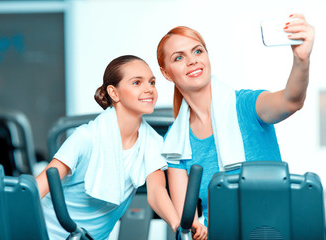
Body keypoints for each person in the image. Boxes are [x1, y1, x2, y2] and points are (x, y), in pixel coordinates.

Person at [156, 13, 314, 236]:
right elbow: (187, 218)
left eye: (197, 51)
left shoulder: (246, 105)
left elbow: (292, 101)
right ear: (166, 73)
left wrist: (301, 60)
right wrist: (196, 229)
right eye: (178, 58)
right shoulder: (176, 140)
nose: (192, 60)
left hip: (275, 230)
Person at [36, 55, 181, 239]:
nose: (149, 89)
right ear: (114, 93)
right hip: (44, 231)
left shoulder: (152, 142)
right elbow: (36, 189)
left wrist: (177, 225)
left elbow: (156, 192)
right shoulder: (85, 138)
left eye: (152, 82)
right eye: (137, 83)